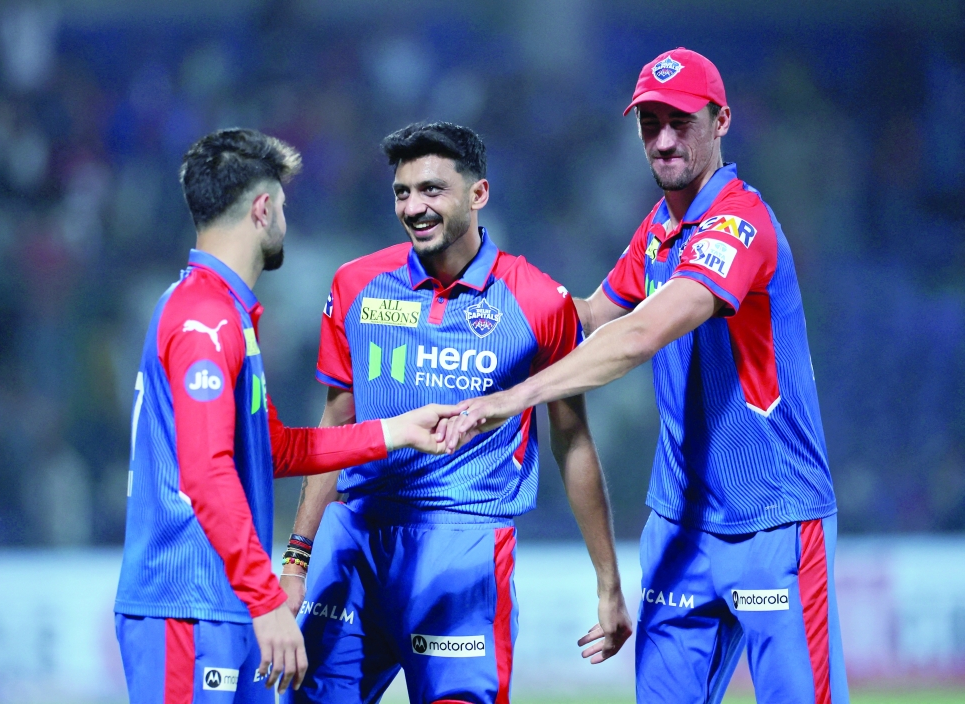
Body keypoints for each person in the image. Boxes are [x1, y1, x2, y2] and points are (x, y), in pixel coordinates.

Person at [447, 49, 849, 704]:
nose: (663, 139)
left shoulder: (740, 224)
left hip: (773, 519)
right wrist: (476, 320)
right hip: (681, 523)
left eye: (680, 121)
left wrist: (515, 396)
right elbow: (581, 318)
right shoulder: (660, 231)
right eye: (649, 123)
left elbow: (636, 335)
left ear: (721, 120)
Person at [278, 122, 632, 704]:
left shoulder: (539, 301)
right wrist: (297, 557)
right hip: (355, 536)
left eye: (432, 190)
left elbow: (572, 441)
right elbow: (335, 422)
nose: (413, 207)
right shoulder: (357, 284)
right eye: (401, 192)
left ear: (479, 193)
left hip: (463, 545)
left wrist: (608, 582)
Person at [114, 128, 460, 703]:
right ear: (262, 208)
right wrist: (266, 597)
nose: (284, 221)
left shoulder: (223, 315)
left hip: (221, 604)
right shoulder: (205, 322)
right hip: (186, 608)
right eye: (284, 205)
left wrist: (396, 431)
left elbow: (274, 449)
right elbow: (205, 473)